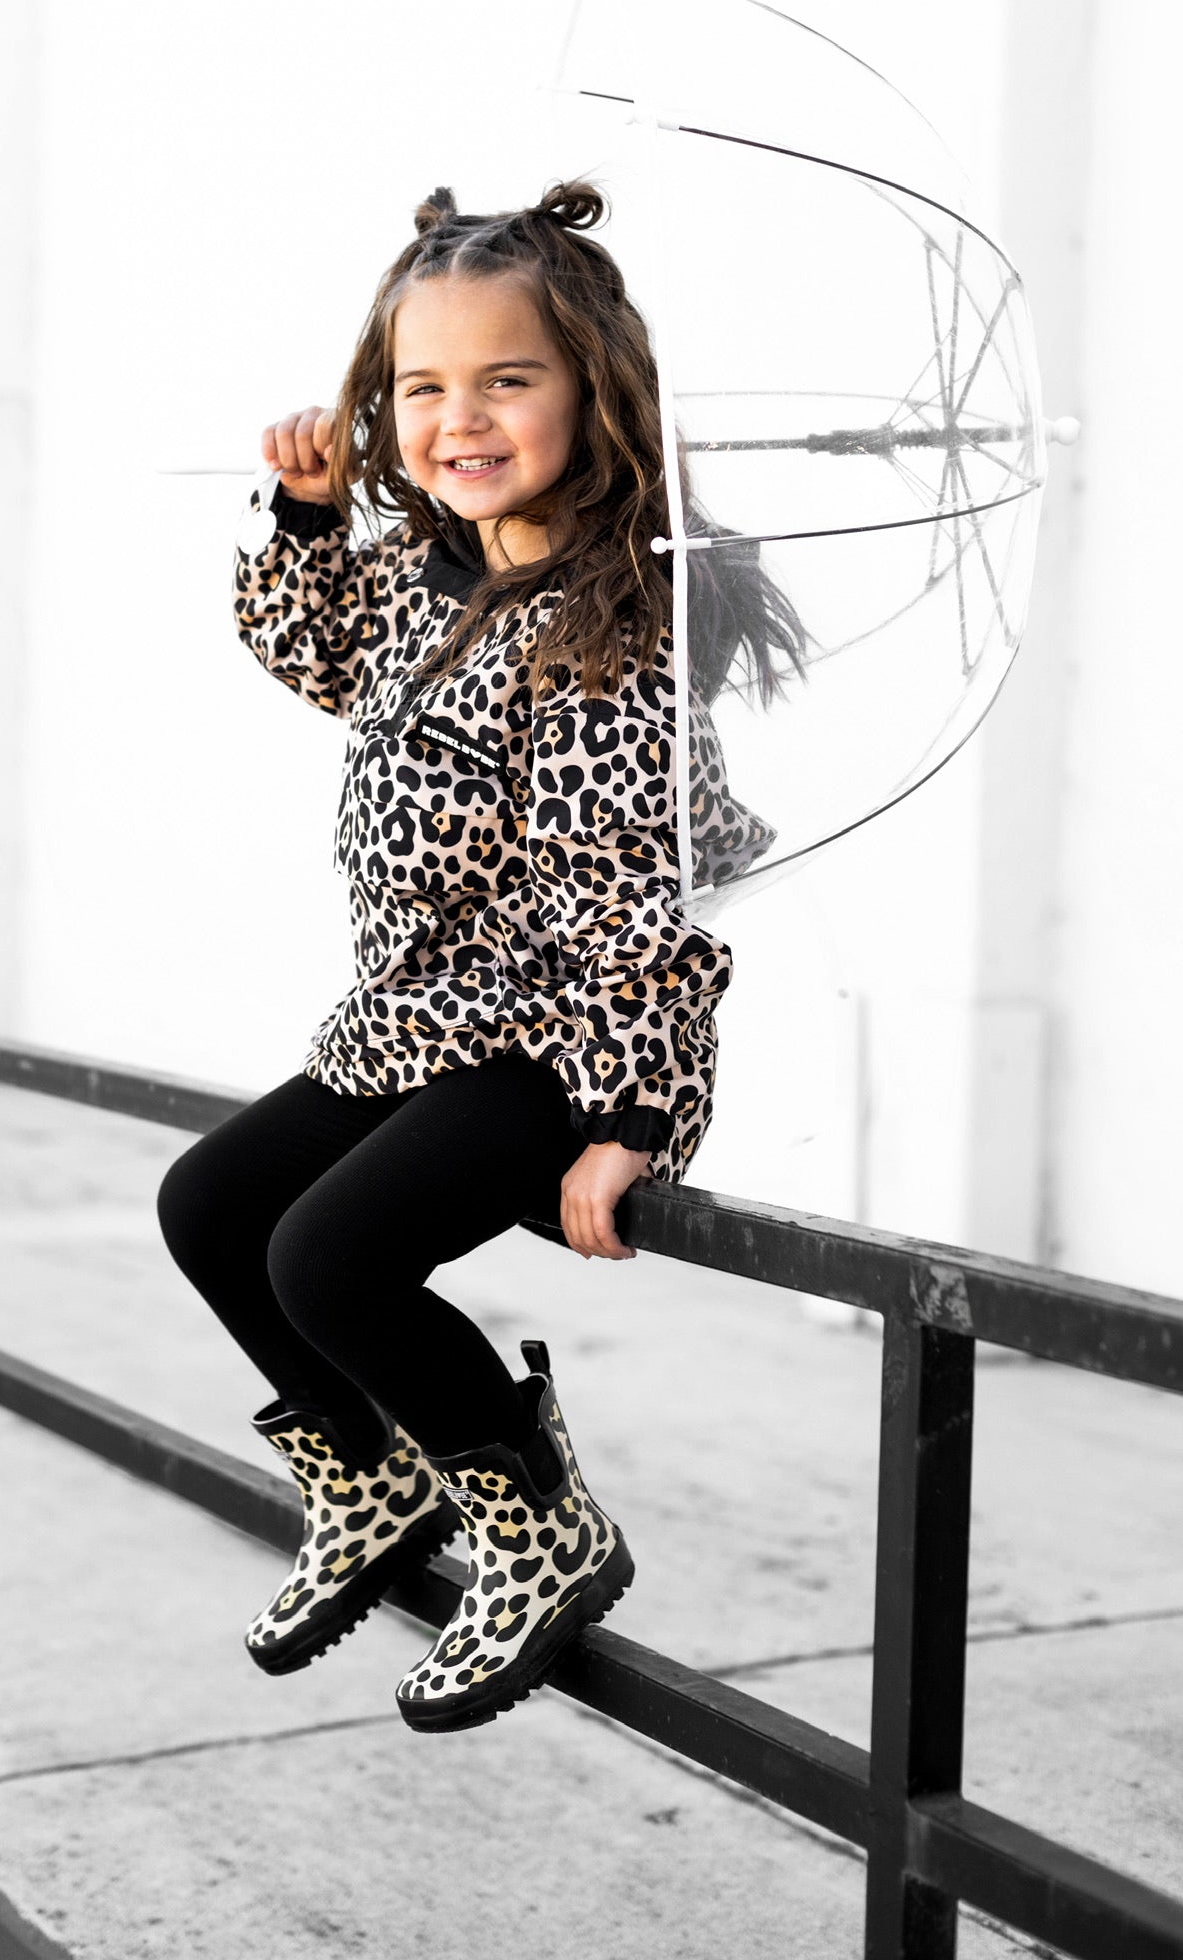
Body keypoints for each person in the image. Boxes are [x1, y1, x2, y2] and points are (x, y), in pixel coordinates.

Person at [157, 181, 798, 1734]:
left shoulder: (608, 632)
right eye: (424, 386)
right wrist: (309, 517)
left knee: (327, 1257)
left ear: (594, 392)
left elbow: (626, 891)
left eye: (508, 380)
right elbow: (312, 651)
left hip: (551, 1039)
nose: (461, 419)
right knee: (213, 1204)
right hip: (417, 1016)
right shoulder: (425, 574)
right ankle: (373, 1476)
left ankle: (539, 1525)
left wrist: (630, 1114)